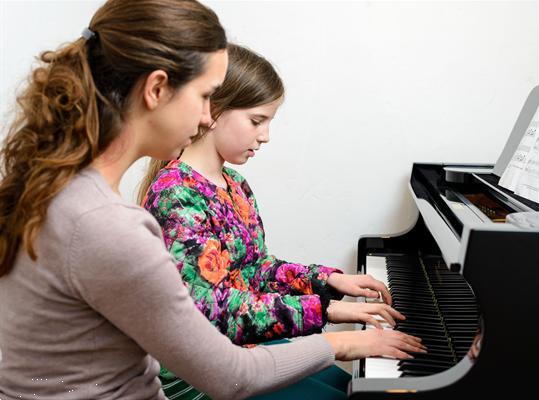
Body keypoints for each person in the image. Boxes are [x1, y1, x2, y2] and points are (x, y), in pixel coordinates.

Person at [0, 1, 424, 399]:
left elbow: (251, 270)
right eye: (205, 95)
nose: (208, 116)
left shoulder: (59, 191)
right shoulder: (108, 224)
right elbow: (229, 374)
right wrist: (336, 335)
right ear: (157, 90)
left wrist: (325, 286)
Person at [139, 44, 425, 400]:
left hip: (243, 347)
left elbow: (255, 269)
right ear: (212, 112)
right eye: (257, 121)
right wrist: (329, 312)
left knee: (354, 387)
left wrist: (330, 280)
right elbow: (212, 310)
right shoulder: (177, 194)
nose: (265, 136)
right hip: (203, 372)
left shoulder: (234, 184)